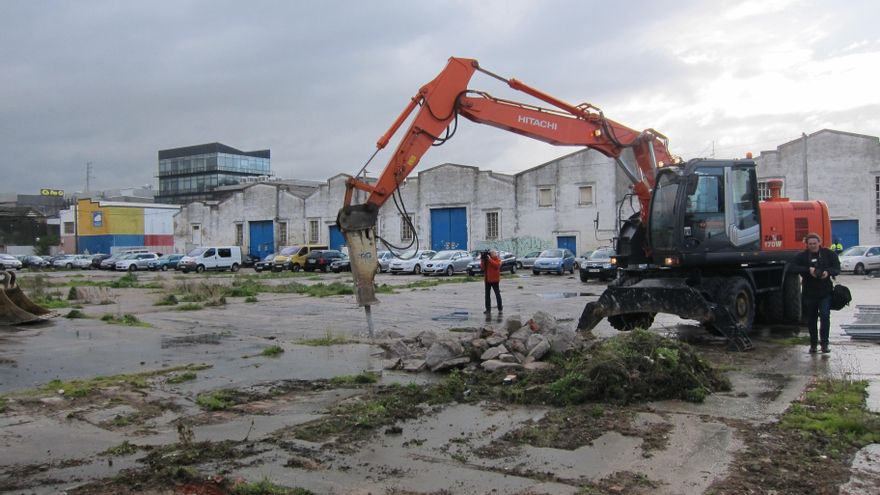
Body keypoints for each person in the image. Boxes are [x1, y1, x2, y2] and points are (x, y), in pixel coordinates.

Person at [790, 233, 840, 354]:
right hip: (809, 292)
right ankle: (813, 344)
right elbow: (791, 268)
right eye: (810, 244)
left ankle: (824, 344)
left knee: (824, 316)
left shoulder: (828, 254)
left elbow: (837, 268)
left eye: (814, 243)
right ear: (806, 244)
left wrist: (827, 272)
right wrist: (808, 269)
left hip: (825, 291)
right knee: (811, 319)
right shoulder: (802, 256)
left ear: (819, 242)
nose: (812, 246)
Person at [482, 249, 503, 314]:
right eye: (491, 253)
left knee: (497, 294)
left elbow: (497, 266)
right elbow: (482, 268)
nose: (492, 254)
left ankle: (500, 307)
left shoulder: (497, 259)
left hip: (495, 280)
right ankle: (488, 309)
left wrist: (490, 259)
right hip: (487, 279)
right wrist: (482, 260)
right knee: (487, 295)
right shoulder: (487, 260)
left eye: (493, 253)